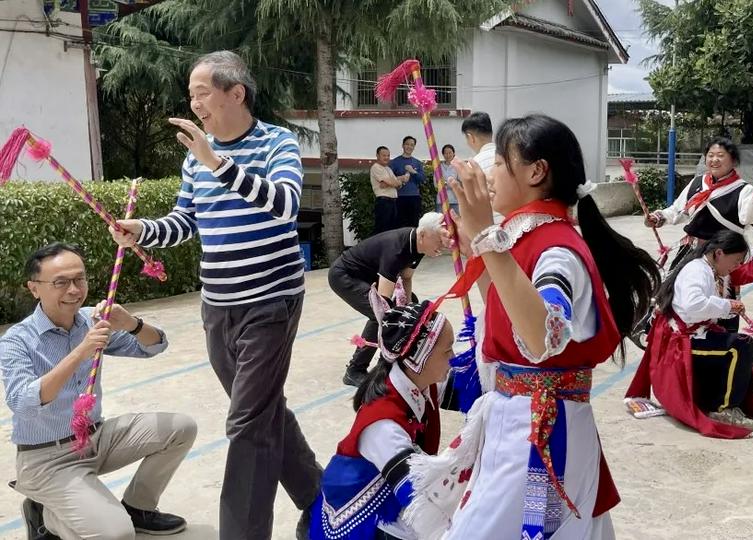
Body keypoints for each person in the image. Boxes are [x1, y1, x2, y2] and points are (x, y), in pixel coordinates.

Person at [404, 114, 661, 539]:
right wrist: (478, 248)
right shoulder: (526, 238)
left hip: (539, 431)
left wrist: (487, 237)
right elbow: (505, 314)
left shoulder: (558, 249)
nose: (491, 173)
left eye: (501, 163)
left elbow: (543, 336)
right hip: (520, 419)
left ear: (537, 172)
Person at [108, 51, 321, 539]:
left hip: (270, 300)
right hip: (217, 306)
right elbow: (186, 222)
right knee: (263, 411)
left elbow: (285, 206)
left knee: (246, 424)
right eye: (192, 94)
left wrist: (218, 162)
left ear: (236, 92)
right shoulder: (193, 159)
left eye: (201, 92)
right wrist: (141, 229)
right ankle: (319, 495)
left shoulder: (276, 143)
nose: (194, 103)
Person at [0, 243, 196, 540]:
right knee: (116, 534)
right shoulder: (17, 340)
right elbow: (23, 402)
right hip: (46, 459)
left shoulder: (92, 320)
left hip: (95, 438)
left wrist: (131, 323)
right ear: (34, 288)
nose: (74, 290)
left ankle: (138, 507)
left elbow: (155, 346)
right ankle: (47, 515)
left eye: (80, 279)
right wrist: (81, 351)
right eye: (60, 282)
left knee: (180, 428)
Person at [309, 293, 454, 540]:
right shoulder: (384, 425)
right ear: (418, 359)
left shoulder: (416, 380)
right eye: (447, 351)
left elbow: (471, 387)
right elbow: (417, 500)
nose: (453, 358)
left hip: (389, 493)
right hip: (365, 519)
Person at [625, 226, 753, 438]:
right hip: (682, 340)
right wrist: (727, 305)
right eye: (736, 261)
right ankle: (724, 409)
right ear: (719, 252)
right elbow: (693, 306)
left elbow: (748, 269)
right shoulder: (698, 270)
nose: (738, 266)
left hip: (696, 331)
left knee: (746, 364)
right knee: (740, 347)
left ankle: (713, 400)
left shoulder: (713, 267)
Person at [328, 213, 450, 387]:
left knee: (409, 307)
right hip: (344, 275)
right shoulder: (397, 248)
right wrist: (397, 317)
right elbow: (382, 304)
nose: (442, 245)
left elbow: (406, 278)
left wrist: (409, 311)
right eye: (439, 239)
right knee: (381, 314)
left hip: (367, 277)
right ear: (423, 234)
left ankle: (393, 361)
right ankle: (355, 370)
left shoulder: (419, 246)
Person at [646, 136, 753, 268]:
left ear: (733, 160)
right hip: (691, 251)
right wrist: (658, 217)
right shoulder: (698, 183)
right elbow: (677, 210)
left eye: (720, 155)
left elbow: (750, 218)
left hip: (722, 257)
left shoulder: (744, 190)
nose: (714, 160)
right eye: (710, 155)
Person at [370, 146, 409, 234]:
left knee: (391, 229)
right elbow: (393, 183)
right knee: (382, 229)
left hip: (393, 202)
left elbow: (397, 186)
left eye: (388, 155)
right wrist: (398, 180)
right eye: (384, 155)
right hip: (384, 202)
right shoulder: (376, 167)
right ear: (377, 155)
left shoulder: (388, 169)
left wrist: (395, 181)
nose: (386, 158)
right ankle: (378, 247)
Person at [389, 136, 426, 228]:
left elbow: (422, 179)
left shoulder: (417, 162)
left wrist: (413, 172)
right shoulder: (394, 162)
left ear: (414, 147)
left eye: (412, 145)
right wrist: (400, 178)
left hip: (414, 197)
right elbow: (389, 179)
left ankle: (412, 242)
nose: (409, 147)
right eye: (407, 144)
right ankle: (400, 243)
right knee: (399, 224)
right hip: (399, 197)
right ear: (403, 145)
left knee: (413, 224)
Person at [436, 144, 459, 215]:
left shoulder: (458, 166)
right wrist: (451, 183)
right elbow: (436, 184)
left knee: (456, 222)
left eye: (450, 152)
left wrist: (445, 183)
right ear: (443, 154)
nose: (448, 155)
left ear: (454, 153)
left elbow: (460, 183)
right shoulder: (438, 167)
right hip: (441, 200)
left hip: (455, 200)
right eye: (445, 153)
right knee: (441, 222)